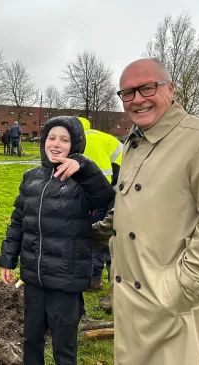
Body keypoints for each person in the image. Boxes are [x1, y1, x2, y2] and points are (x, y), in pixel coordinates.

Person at [82, 58, 199, 365]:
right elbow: (127, 210)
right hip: (130, 295)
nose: (137, 99)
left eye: (147, 88)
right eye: (127, 93)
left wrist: (182, 289)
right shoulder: (133, 143)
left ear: (171, 89)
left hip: (175, 303)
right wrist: (80, 234)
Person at [0, 116, 113, 365]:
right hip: (34, 278)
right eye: (52, 138)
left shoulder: (81, 182)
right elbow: (18, 220)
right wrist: (8, 258)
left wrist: (83, 167)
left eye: (65, 139)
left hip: (66, 280)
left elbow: (103, 196)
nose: (56, 144)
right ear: (44, 141)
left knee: (64, 346)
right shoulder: (31, 177)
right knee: (32, 340)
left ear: (75, 145)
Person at [77, 117, 123, 295]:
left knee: (101, 233)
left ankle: (96, 280)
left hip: (113, 188)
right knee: (108, 233)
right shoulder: (99, 138)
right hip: (117, 186)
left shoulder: (84, 141)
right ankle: (105, 282)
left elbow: (100, 177)